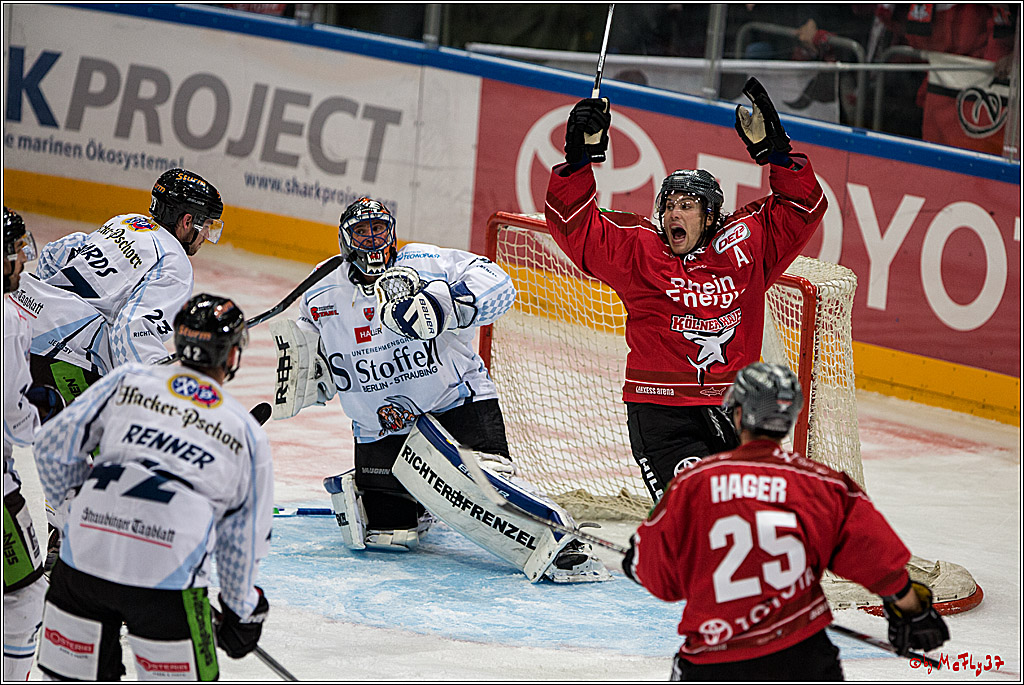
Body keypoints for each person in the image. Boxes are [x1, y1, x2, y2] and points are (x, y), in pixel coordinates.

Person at [272, 196, 608, 582]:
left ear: (391, 233)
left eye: (379, 230)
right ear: (345, 240)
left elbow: (498, 282)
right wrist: (308, 374)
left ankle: (561, 539)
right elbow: (309, 350)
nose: (372, 239)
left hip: (455, 405)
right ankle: (419, 495)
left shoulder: (423, 263)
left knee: (485, 490)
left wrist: (445, 304)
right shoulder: (321, 290)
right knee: (388, 536)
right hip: (381, 427)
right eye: (361, 232)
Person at [545, 78, 827, 502]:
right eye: (669, 204)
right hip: (662, 414)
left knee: (749, 518)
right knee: (696, 513)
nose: (674, 211)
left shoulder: (747, 244)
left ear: (712, 215)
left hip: (737, 409)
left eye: (688, 205)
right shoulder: (640, 250)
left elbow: (802, 209)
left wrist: (779, 153)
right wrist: (578, 161)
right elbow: (574, 228)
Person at [622, 362, 950, 681]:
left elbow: (659, 579)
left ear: (737, 413)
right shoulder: (824, 484)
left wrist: (636, 559)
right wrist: (911, 608)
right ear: (789, 419)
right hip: (802, 655)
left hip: (715, 660)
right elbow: (874, 557)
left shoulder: (691, 484)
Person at [32, 293, 272, 681]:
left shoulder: (129, 380)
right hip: (168, 583)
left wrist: (77, 509)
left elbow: (52, 445)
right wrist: (242, 612)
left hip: (81, 565)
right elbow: (244, 538)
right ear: (231, 356)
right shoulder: (243, 430)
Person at [12, 167, 224, 568]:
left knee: (76, 452)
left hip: (23, 331)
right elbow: (131, 331)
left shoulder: (126, 223)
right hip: (64, 356)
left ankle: (69, 549)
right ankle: (78, 562)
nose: (205, 236)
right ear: (185, 221)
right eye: (205, 226)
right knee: (108, 457)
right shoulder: (174, 261)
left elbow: (58, 254)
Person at [3, 207, 64, 680]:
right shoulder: (8, 317)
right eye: (15, 252)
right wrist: (41, 413)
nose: (21, 261)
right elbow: (14, 418)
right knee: (24, 595)